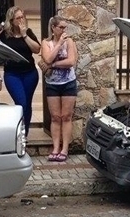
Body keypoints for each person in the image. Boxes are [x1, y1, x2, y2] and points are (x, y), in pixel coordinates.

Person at [39, 16, 78, 162]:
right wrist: (59, 44)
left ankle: (65, 148)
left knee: (66, 116)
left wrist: (54, 65)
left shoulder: (69, 42)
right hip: (53, 84)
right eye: (61, 27)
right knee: (55, 117)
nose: (64, 30)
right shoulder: (46, 43)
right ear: (53, 28)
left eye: (65, 27)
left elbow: (71, 61)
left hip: (68, 82)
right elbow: (47, 58)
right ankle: (55, 147)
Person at [0, 6, 40, 132]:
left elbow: (37, 49)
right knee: (21, 103)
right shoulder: (5, 35)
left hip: (30, 73)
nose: (21, 20)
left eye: (23, 17)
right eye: (18, 18)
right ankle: (18, 131)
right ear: (11, 20)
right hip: (12, 74)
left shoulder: (28, 32)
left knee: (28, 104)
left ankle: (24, 134)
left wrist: (25, 35)